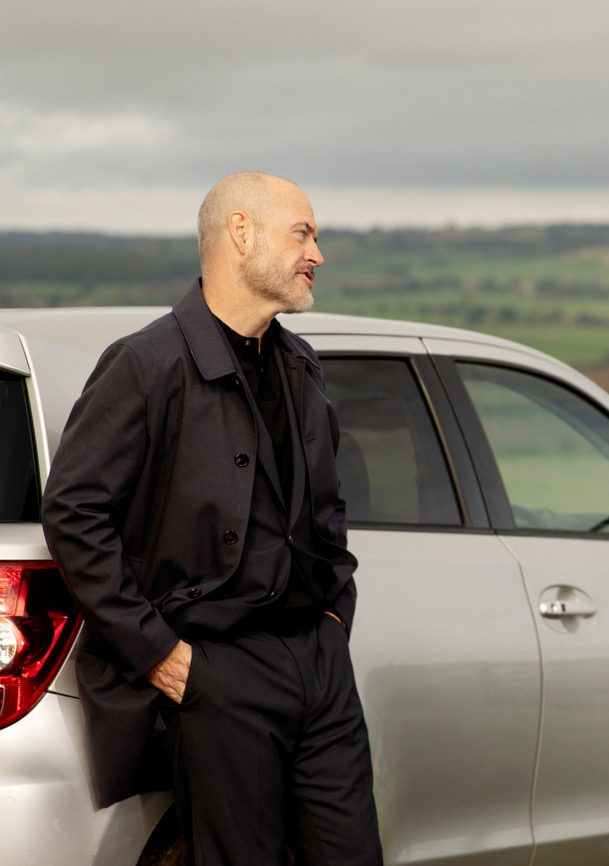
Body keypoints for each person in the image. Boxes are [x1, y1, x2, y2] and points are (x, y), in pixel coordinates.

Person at [42, 172, 383, 865]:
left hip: (319, 665)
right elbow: (74, 512)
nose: (317, 253)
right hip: (218, 672)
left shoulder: (301, 366)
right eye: (303, 233)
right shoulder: (145, 364)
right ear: (240, 233)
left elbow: (326, 512)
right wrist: (159, 655)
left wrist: (336, 616)